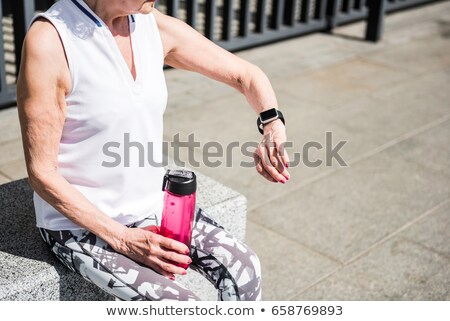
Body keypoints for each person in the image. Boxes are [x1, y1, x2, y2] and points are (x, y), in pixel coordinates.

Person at [16, 0, 290, 301]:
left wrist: (272, 123)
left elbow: (245, 75)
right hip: (80, 225)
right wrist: (124, 240)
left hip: (151, 202)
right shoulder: (51, 42)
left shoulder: (149, 24)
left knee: (245, 271)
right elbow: (42, 173)